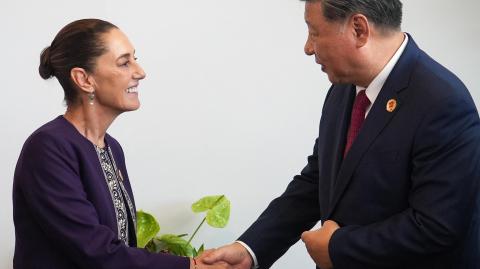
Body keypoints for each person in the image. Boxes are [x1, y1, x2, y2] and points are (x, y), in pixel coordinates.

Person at [201, 0, 480, 268]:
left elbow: (436, 226)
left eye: (314, 32)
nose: (308, 48)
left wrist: (338, 247)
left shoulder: (442, 102)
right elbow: (318, 180)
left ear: (359, 29)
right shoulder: (344, 89)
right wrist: (251, 249)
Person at [12, 19, 229, 269]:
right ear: (84, 79)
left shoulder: (111, 147)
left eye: (135, 59)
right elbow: (96, 252)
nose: (140, 72)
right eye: (125, 62)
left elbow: (121, 248)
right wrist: (191, 266)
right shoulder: (48, 148)